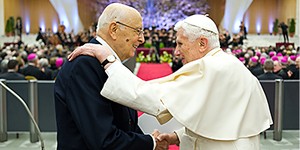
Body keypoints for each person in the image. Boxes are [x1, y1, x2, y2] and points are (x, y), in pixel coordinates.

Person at [69, 14, 273, 149]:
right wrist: (178, 136)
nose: (176, 52)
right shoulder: (228, 64)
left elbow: (153, 98)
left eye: (180, 44)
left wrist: (108, 59)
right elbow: (216, 121)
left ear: (202, 43)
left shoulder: (212, 68)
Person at [54, 3, 167, 150]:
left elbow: (126, 123)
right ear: (114, 30)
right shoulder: (84, 66)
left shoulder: (107, 63)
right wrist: (150, 143)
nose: (142, 39)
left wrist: (149, 141)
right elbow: (103, 140)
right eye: (138, 31)